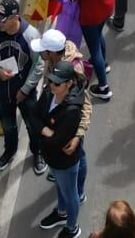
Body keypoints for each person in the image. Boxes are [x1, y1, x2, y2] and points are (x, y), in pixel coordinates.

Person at [0, 0, 44, 173]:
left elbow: (39, 65)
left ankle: (38, 152)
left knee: (33, 125)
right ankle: (9, 151)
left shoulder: (31, 35)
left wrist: (25, 89)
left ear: (15, 18)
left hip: (26, 94)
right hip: (2, 92)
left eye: (3, 20)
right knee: (8, 127)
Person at [36, 62, 92, 238]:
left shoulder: (72, 110)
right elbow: (33, 115)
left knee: (70, 194)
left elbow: (57, 141)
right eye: (51, 80)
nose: (52, 85)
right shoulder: (49, 92)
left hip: (64, 161)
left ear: (69, 83)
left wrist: (40, 130)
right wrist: (45, 130)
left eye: (57, 83)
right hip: (51, 157)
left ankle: (72, 228)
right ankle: (62, 213)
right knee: (61, 187)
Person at [69, 0, 116, 97]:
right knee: (98, 36)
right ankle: (103, 64)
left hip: (92, 16)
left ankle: (104, 88)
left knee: (94, 50)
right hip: (105, 9)